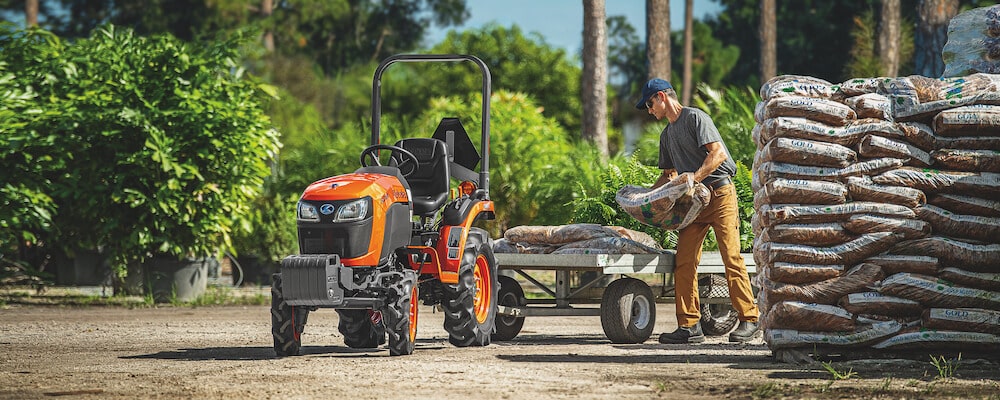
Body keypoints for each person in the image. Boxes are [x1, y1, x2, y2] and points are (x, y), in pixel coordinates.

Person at [634, 78, 760, 344]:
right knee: (684, 261)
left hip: (720, 195)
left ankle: (750, 318)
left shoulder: (695, 118)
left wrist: (695, 177)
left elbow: (717, 155)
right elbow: (668, 176)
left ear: (661, 97)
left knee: (731, 257)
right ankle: (689, 326)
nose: (649, 111)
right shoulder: (666, 135)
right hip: (692, 204)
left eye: (649, 104)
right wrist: (645, 196)